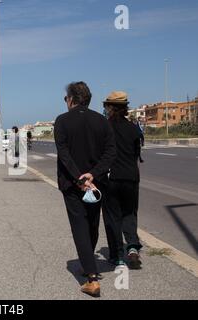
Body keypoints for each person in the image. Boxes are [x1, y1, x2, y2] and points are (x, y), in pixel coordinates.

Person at [54, 81, 116, 297]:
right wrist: (93, 174)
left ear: (71, 99)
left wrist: (79, 178)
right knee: (92, 223)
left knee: (79, 225)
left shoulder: (62, 121)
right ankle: (88, 261)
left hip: (72, 185)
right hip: (97, 183)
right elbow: (110, 152)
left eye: (66, 98)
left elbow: (64, 153)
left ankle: (91, 278)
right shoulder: (101, 121)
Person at [102, 92, 143, 270]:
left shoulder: (104, 127)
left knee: (112, 216)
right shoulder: (134, 128)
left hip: (111, 177)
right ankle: (132, 247)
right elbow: (136, 154)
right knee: (129, 213)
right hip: (131, 177)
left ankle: (117, 255)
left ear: (110, 108)